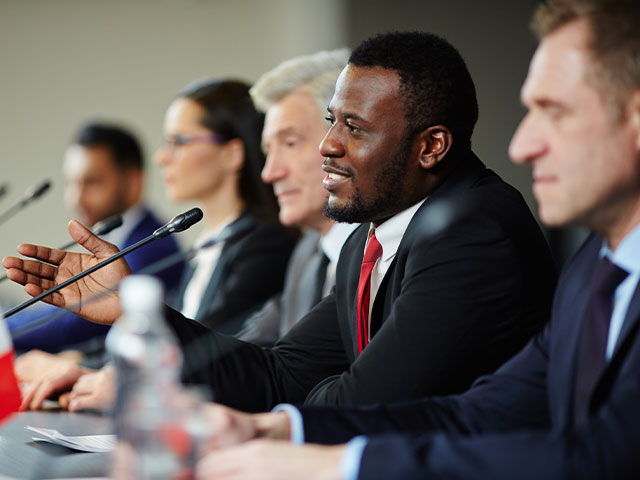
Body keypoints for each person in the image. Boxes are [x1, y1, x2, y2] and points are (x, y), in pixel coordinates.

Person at [191, 1, 640, 479]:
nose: (522, 146)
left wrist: (334, 462)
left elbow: (605, 458)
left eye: (554, 111)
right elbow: (478, 412)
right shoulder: (593, 267)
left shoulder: (477, 227)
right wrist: (281, 430)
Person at [3, 31, 557, 414]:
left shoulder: (474, 230)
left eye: (356, 128)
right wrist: (132, 310)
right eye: (330, 121)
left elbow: (362, 406)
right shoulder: (373, 235)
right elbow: (278, 376)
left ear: (431, 146)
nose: (328, 145)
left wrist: (270, 412)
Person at [6, 122, 184, 354]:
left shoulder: (153, 246)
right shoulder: (112, 235)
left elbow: (70, 324)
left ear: (133, 183)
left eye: (92, 182)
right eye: (72, 183)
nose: (76, 198)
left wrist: (3, 327)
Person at [238, 48, 358, 346]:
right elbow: (251, 353)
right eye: (267, 151)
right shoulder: (306, 252)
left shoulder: (387, 254)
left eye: (290, 143)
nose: (269, 173)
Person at [157, 79, 295, 335]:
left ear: (232, 153)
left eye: (178, 142)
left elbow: (205, 343)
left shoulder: (265, 244)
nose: (161, 158)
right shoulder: (207, 242)